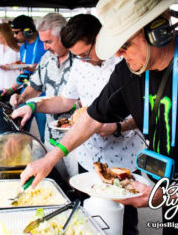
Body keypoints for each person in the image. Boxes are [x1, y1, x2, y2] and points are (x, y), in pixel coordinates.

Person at [20, 0, 178, 234]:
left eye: (125, 44)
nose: (118, 53)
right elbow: (93, 116)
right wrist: (50, 158)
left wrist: (168, 194)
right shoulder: (128, 71)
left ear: (158, 31)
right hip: (173, 192)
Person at [12, 14, 145, 234]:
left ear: (100, 39)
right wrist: (34, 105)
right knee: (89, 219)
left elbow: (145, 114)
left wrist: (118, 127)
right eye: (79, 57)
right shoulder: (81, 65)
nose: (84, 60)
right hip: (88, 156)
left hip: (123, 159)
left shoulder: (126, 62)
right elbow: (65, 101)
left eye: (85, 54)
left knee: (123, 222)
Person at [10, 13, 78, 180]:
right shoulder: (47, 58)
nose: (45, 47)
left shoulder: (80, 59)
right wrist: (22, 97)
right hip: (51, 136)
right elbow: (35, 85)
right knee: (58, 181)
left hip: (77, 139)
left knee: (78, 186)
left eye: (49, 41)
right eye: (43, 42)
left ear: (64, 36)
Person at [9, 15, 47, 142]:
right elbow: (24, 71)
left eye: (16, 33)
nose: (14, 36)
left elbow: (48, 68)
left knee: (44, 135)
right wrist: (11, 88)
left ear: (28, 31)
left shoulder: (45, 44)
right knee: (20, 131)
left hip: (43, 96)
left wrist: (32, 68)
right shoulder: (23, 47)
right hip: (25, 93)